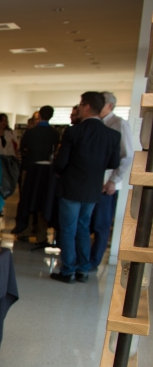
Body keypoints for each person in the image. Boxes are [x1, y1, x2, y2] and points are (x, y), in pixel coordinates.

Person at [51, 91, 121, 283]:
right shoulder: (112, 135)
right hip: (92, 188)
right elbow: (113, 162)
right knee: (83, 227)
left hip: (71, 187)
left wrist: (60, 170)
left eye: (80, 105)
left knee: (68, 229)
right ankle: (83, 268)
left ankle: (68, 269)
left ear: (87, 106)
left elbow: (61, 162)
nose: (79, 108)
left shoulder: (73, 131)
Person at [90, 91, 135, 270]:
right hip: (92, 182)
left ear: (109, 106)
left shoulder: (119, 124)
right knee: (88, 223)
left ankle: (93, 262)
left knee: (101, 223)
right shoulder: (96, 125)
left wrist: (113, 181)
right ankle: (84, 259)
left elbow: (127, 155)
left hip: (107, 183)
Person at [13, 105, 60, 239]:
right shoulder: (55, 133)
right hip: (47, 171)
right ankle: (41, 233)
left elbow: (23, 149)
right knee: (44, 200)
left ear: (39, 115)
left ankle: (24, 230)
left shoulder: (31, 132)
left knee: (26, 199)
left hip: (30, 169)